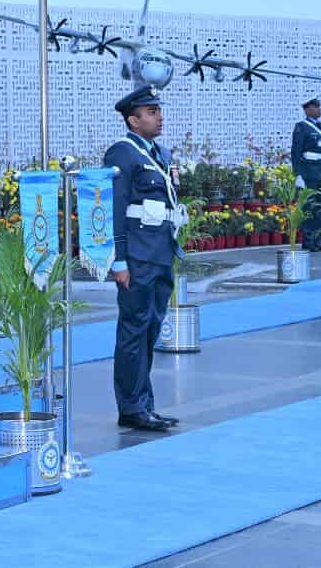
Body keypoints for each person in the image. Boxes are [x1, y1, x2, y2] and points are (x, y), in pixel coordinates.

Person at [104, 86, 184, 433]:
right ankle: (132, 406)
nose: (159, 116)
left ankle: (143, 403)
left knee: (149, 330)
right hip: (136, 256)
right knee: (134, 331)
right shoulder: (122, 153)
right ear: (133, 120)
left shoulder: (158, 153)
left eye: (158, 110)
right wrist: (118, 260)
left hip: (160, 253)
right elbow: (115, 210)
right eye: (151, 112)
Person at [292, 96, 321, 252]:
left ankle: (318, 238)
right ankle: (308, 241)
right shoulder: (302, 127)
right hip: (309, 173)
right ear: (307, 109)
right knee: (310, 207)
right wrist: (298, 175)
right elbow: (296, 152)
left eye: (319, 106)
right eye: (316, 107)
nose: (319, 109)